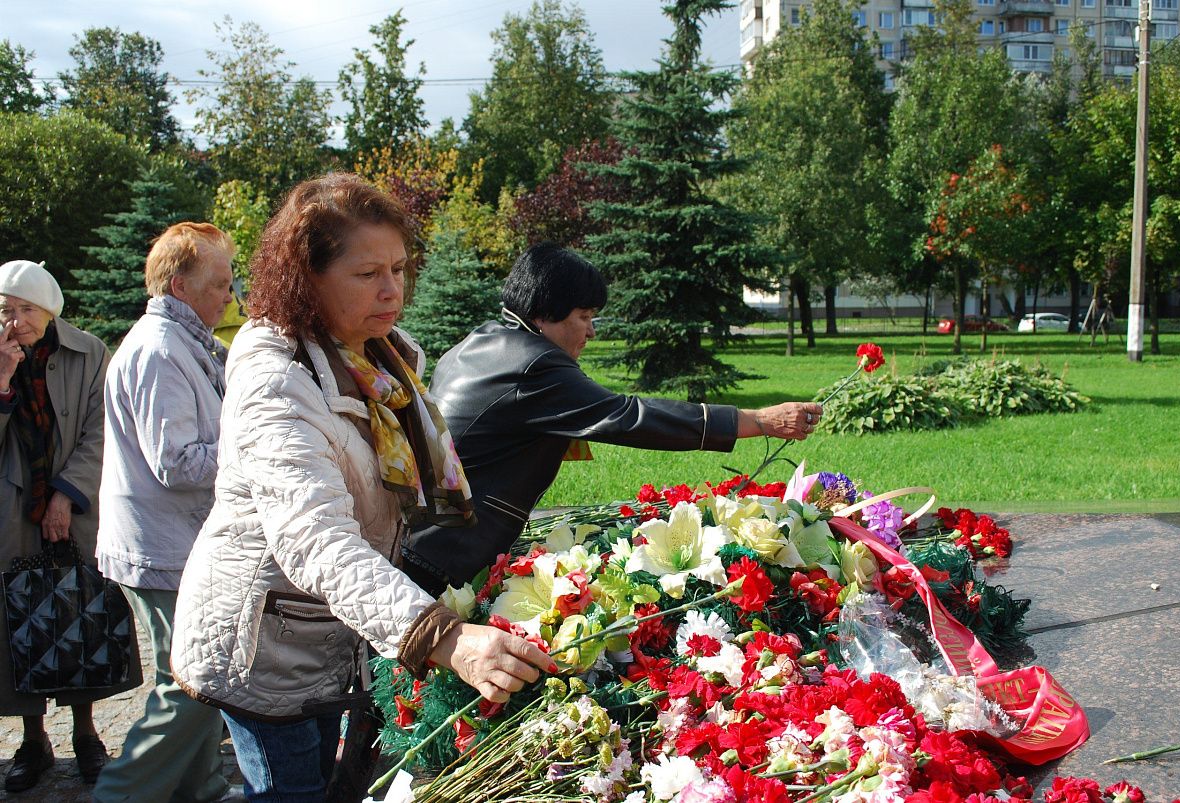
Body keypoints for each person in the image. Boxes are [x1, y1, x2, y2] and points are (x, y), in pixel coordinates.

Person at [171, 173, 554, 803]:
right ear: (306, 276)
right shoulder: (276, 383)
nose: (392, 289)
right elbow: (315, 540)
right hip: (263, 643)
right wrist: (442, 636)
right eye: (367, 273)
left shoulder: (381, 359)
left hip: (326, 631)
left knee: (328, 784)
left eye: (399, 268)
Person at [402, 243, 825, 594]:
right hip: (444, 560)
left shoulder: (483, 341)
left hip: (422, 539)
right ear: (545, 313)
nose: (591, 332)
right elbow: (627, 416)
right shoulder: (534, 364)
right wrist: (758, 420)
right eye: (583, 317)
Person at [92, 223, 239, 803]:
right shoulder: (159, 349)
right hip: (164, 546)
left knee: (188, 677)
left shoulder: (186, 342)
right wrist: (254, 448)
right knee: (195, 681)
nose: (230, 296)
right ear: (180, 285)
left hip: (176, 542)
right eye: (220, 284)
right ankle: (121, 794)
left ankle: (198, 790)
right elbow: (176, 462)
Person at [0, 260, 141, 792]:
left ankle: (87, 736)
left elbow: (101, 430)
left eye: (26, 309)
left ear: (48, 308)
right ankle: (33, 740)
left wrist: (65, 493)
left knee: (79, 612)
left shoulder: (89, 353)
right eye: (6, 310)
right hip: (11, 513)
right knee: (19, 619)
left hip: (76, 507)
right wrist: (3, 380)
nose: (17, 320)